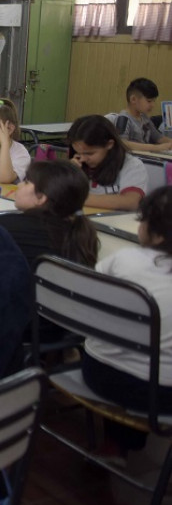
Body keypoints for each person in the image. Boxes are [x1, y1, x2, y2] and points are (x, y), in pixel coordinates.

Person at [81, 186, 172, 463]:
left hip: (98, 373)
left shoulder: (123, 258)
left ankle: (115, 444)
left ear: (154, 232)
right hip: (161, 394)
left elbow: (87, 301)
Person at [0, 160, 99, 271]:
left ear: (41, 198)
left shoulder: (5, 225)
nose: (19, 184)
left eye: (27, 182)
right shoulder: (83, 233)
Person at [67, 114, 149, 212]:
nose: (83, 159)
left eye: (89, 153)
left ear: (109, 144)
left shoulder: (132, 165)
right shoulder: (78, 164)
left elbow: (131, 202)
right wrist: (69, 176)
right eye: (78, 153)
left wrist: (76, 198)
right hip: (85, 222)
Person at [108, 77, 172, 153]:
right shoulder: (123, 118)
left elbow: (158, 138)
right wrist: (155, 147)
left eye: (154, 101)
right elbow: (122, 143)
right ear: (133, 99)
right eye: (149, 101)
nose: (152, 105)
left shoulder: (144, 117)